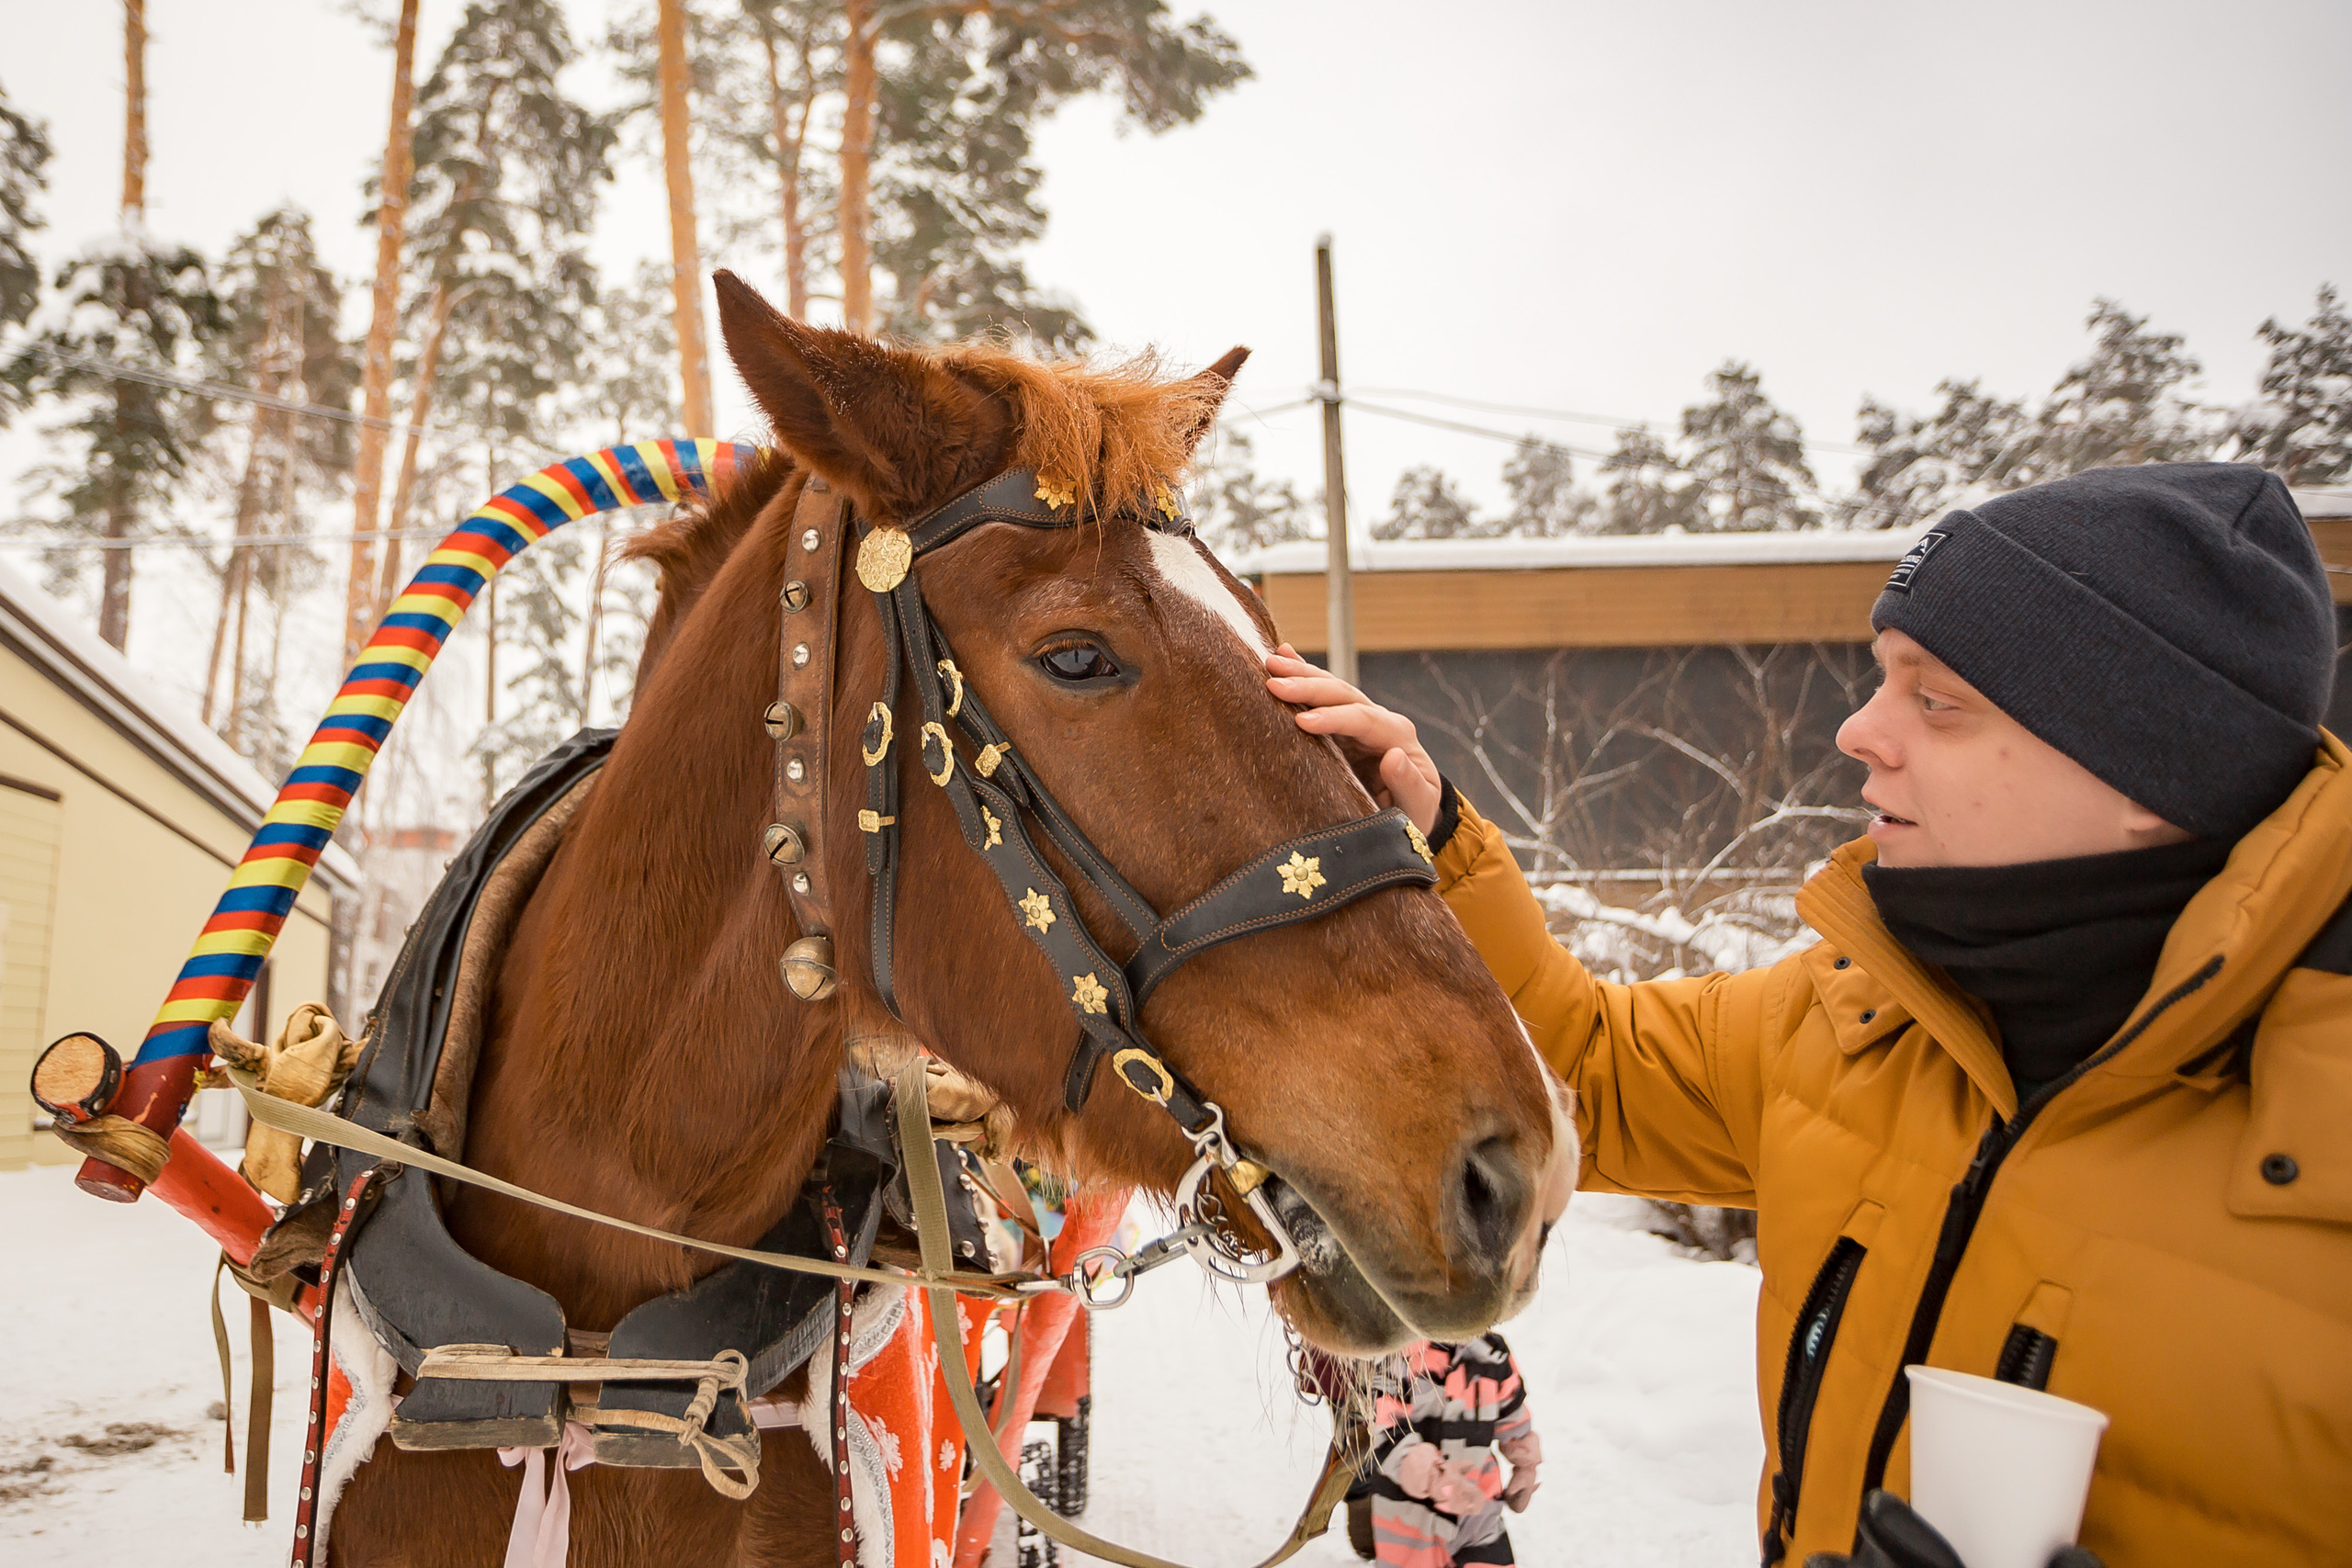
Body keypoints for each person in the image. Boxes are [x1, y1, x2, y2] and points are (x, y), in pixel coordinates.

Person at [1266, 464, 2351, 1567]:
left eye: (1936, 702)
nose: (1856, 732)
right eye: (1881, 679)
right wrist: (1437, 831)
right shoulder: (1852, 1015)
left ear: (2146, 765)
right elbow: (1582, 1064)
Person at [1355, 1335, 1541, 1568]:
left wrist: (1526, 1466)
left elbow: (1512, 1416)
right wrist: (1437, 1479)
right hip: (1411, 1520)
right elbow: (1384, 1430)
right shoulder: (1396, 1355)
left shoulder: (1491, 1354)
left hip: (1478, 1507)